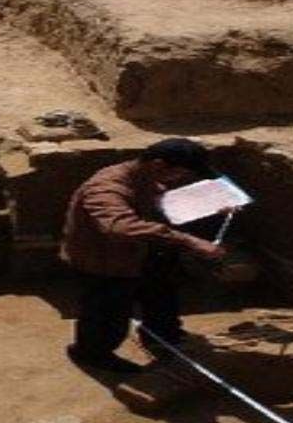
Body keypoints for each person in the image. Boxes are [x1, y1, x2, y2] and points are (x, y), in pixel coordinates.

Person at [61, 138, 226, 374]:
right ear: (158, 165)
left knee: (161, 295)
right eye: (179, 174)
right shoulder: (107, 188)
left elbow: (158, 202)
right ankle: (91, 354)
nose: (180, 179)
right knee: (108, 314)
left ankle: (161, 338)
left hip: (141, 252)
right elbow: (118, 227)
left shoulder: (147, 177)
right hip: (105, 260)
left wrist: (211, 204)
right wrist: (188, 240)